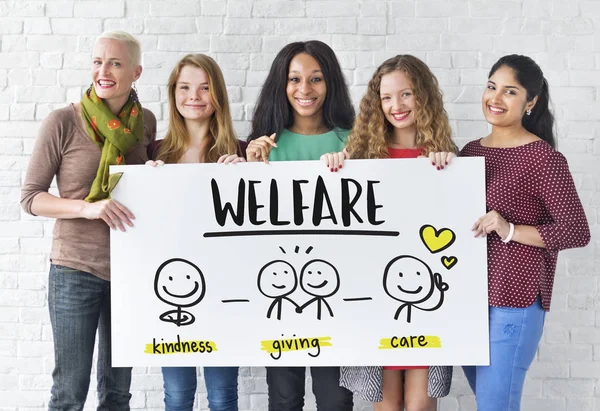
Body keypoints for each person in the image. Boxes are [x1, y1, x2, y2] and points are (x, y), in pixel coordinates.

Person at [20, 31, 156, 410]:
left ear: (135, 72)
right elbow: (31, 198)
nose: (103, 70)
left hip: (130, 271)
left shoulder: (145, 122)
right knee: (69, 392)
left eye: (115, 62)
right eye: (98, 61)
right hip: (74, 270)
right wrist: (87, 208)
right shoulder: (63, 121)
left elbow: (146, 190)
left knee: (117, 393)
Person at [322, 54, 455, 411]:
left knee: (420, 406)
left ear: (423, 96)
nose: (396, 106)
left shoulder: (444, 158)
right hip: (375, 300)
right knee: (387, 405)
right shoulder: (361, 157)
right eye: (386, 97)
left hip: (425, 301)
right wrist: (335, 164)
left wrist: (447, 173)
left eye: (406, 94)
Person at [459, 54, 590, 411]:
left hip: (513, 301)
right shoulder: (469, 152)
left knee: (495, 406)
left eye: (510, 92)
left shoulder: (543, 159)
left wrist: (509, 228)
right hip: (467, 301)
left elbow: (576, 230)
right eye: (491, 87)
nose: (495, 98)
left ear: (530, 102)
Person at [245, 40, 355, 411]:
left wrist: (353, 162)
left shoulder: (351, 141)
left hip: (336, 297)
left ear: (330, 84)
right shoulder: (264, 145)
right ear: (282, 83)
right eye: (294, 79)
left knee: (336, 400)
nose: (304, 90)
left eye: (316, 79)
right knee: (285, 399)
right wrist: (247, 168)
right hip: (278, 296)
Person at [146, 54, 245, 411]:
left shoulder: (240, 152)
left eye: (205, 88)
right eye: (185, 87)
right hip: (170, 293)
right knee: (176, 396)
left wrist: (249, 174)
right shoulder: (155, 153)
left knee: (222, 396)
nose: (195, 96)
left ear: (218, 95)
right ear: (173, 94)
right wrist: (145, 183)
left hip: (223, 294)